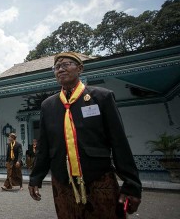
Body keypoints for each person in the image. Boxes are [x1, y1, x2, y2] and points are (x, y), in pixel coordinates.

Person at [28, 52, 142, 219]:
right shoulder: (48, 105)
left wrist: (132, 184)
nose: (60, 69)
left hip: (98, 179)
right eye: (56, 67)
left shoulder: (101, 97)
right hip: (62, 182)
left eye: (66, 65)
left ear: (80, 68)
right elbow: (44, 146)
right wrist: (36, 177)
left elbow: (119, 142)